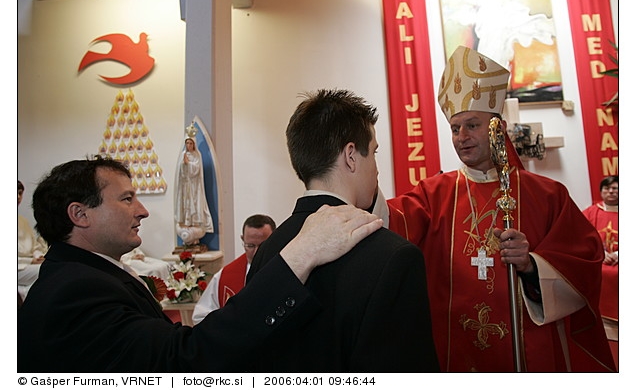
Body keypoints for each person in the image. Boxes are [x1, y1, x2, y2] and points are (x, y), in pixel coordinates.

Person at [17, 155, 383, 372]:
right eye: (126, 199)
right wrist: (299, 255)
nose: (143, 210)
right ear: (79, 214)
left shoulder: (83, 275)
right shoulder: (74, 291)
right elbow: (181, 361)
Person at [374, 46, 615, 372]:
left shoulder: (547, 194)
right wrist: (359, 175)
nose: (462, 137)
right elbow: (388, 222)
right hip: (455, 350)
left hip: (528, 350)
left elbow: (584, 261)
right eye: (455, 128)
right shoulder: (433, 194)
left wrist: (531, 265)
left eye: (472, 125)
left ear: (496, 128)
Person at [246, 89, 439, 372]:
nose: (376, 170)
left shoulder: (268, 252)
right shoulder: (396, 257)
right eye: (373, 152)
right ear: (351, 156)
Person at [192, 214, 276, 325]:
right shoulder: (224, 277)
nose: (256, 252)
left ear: (275, 240)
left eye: (262, 245)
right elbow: (201, 317)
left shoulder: (287, 271)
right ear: (243, 239)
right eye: (250, 246)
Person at [582, 176, 618, 323]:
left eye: (615, 188)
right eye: (607, 188)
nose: (611, 191)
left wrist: (617, 254)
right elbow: (581, 237)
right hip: (597, 258)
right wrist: (601, 253)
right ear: (601, 191)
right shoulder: (591, 212)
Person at [175, 135, 214, 245]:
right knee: (185, 203)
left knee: (195, 204)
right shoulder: (183, 155)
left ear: (194, 144)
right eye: (187, 143)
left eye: (191, 143)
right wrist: (183, 164)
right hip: (185, 185)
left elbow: (196, 169)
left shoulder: (197, 155)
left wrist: (188, 164)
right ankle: (186, 222)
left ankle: (194, 221)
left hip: (194, 185)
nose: (189, 145)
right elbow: (181, 172)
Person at [18, 180, 48, 301]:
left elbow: (34, 246)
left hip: (28, 265)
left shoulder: (22, 220)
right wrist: (30, 260)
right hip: (18, 267)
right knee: (48, 270)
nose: (18, 197)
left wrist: (38, 256)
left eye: (20, 193)